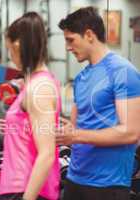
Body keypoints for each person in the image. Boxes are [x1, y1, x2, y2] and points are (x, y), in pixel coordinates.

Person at [56, 7, 140, 200]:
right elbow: (76, 128)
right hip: (74, 178)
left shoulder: (122, 71)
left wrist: (76, 135)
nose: (68, 47)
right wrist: (65, 130)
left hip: (107, 185)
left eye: (71, 40)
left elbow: (131, 132)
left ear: (89, 35)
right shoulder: (81, 78)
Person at [0, 12, 60, 200]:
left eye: (9, 49)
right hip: (19, 185)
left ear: (18, 45)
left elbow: (47, 153)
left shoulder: (39, 88)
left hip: (25, 188)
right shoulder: (36, 83)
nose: (10, 56)